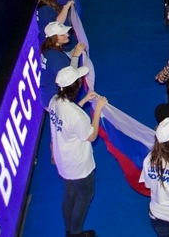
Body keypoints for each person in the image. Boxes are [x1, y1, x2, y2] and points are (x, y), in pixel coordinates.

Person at [47, 66, 106, 237]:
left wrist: (85, 100)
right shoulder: (76, 116)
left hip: (63, 159)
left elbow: (69, 120)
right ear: (75, 86)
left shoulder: (54, 101)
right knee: (85, 195)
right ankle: (75, 233)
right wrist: (98, 110)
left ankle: (68, 229)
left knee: (69, 193)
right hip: (78, 164)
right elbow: (91, 135)